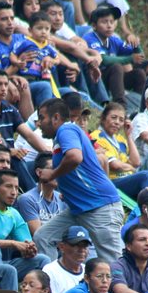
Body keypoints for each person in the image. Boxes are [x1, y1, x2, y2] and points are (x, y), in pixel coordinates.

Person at [32, 99, 127, 262]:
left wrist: (52, 174)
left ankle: (128, 287)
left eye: (42, 118)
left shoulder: (66, 129)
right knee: (43, 236)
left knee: (114, 262)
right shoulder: (61, 138)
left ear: (55, 117)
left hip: (100, 206)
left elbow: (75, 157)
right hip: (78, 208)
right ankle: (55, 282)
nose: (38, 122)